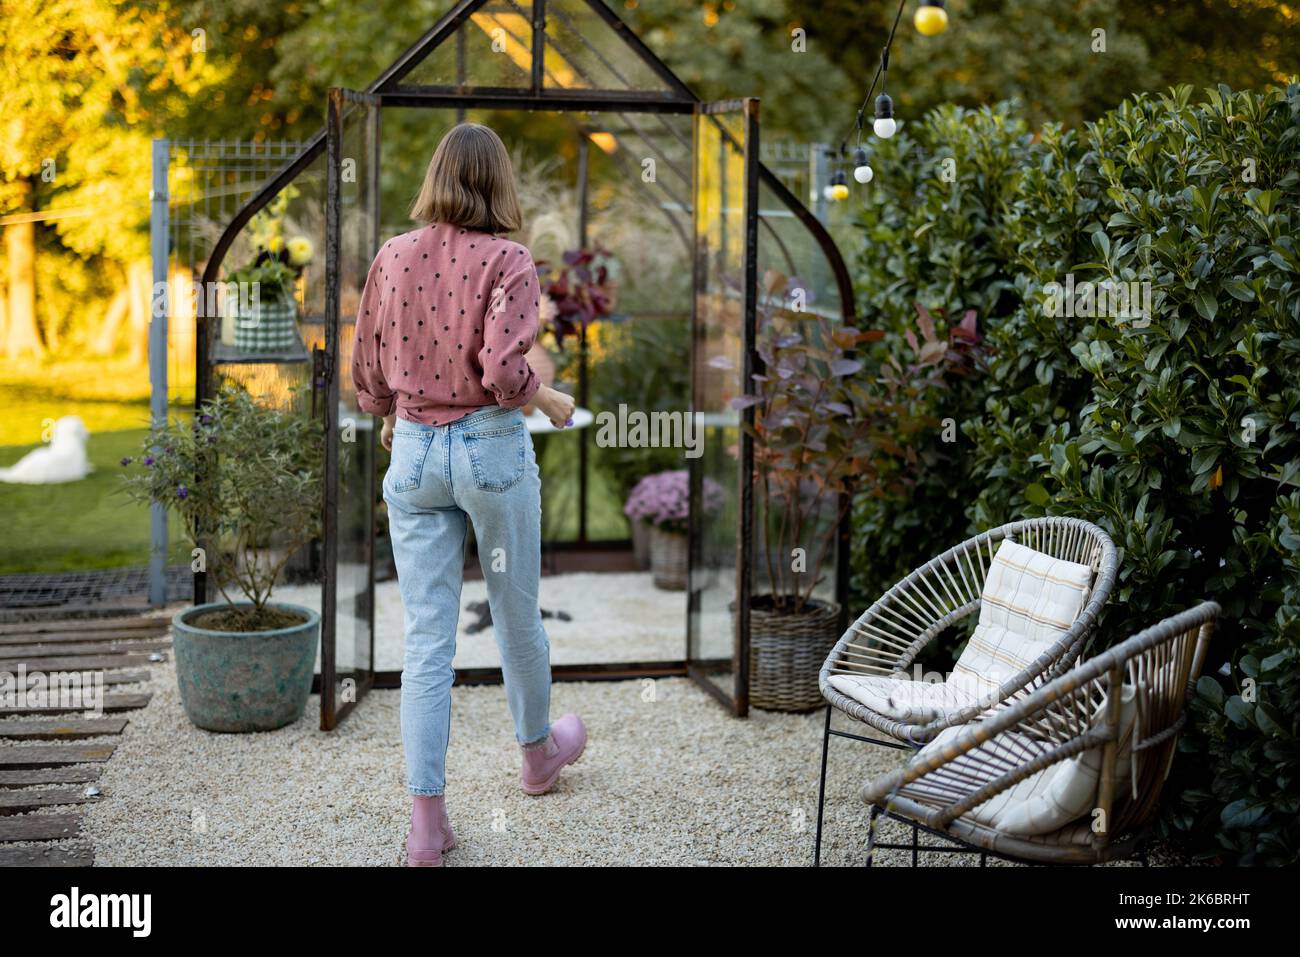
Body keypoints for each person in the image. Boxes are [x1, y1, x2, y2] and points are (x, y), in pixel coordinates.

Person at [351, 123, 586, 868]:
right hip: (489, 452)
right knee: (518, 614)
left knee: (427, 639)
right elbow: (501, 371)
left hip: (415, 456)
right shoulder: (509, 259)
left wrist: (393, 415)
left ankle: (426, 825)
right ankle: (538, 756)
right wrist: (546, 397)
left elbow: (369, 365)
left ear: (436, 177)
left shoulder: (392, 255)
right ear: (499, 184)